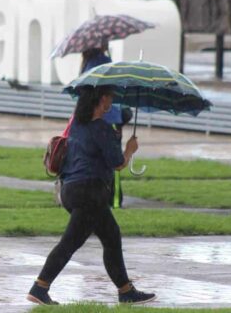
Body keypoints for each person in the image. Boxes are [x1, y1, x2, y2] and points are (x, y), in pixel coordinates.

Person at [27, 85, 156, 306]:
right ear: (102, 99)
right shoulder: (101, 128)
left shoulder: (76, 124)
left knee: (111, 236)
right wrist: (130, 149)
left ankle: (126, 291)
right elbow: (118, 164)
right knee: (70, 243)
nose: (112, 102)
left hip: (70, 190)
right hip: (90, 194)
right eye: (110, 98)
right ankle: (39, 287)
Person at [80, 44, 132, 208]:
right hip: (110, 119)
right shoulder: (103, 60)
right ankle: (115, 200)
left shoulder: (86, 63)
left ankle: (101, 197)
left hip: (93, 120)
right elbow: (112, 86)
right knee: (114, 160)